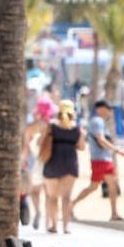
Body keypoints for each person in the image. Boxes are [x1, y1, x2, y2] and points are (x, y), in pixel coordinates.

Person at [72, 100, 124, 221]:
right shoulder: (97, 121)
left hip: (102, 159)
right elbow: (100, 139)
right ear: (101, 108)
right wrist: (117, 150)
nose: (109, 111)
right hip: (100, 159)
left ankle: (114, 214)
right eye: (107, 108)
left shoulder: (97, 121)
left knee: (109, 184)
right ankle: (70, 206)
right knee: (94, 186)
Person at [41, 100, 85, 233]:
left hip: (52, 164)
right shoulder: (77, 129)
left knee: (52, 197)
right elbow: (81, 147)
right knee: (66, 197)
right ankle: (66, 226)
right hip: (70, 164)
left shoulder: (51, 127)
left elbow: (42, 142)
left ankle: (54, 225)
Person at [21, 97, 54, 230]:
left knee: (34, 191)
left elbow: (26, 148)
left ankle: (38, 212)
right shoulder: (52, 127)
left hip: (33, 161)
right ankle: (47, 220)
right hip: (47, 160)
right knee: (47, 192)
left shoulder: (30, 127)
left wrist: (22, 162)